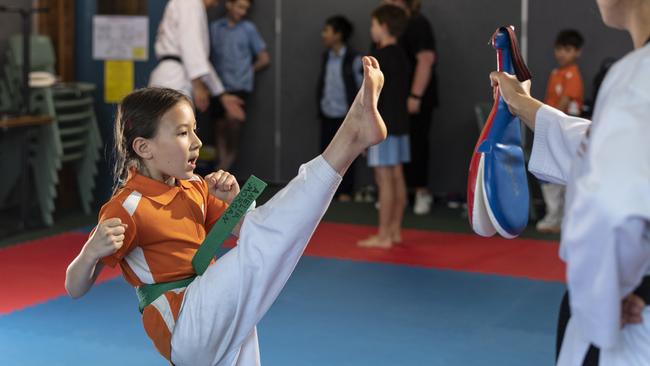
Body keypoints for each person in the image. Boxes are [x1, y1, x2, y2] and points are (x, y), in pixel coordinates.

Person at [65, 56, 387, 365]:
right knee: (262, 249)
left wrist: (237, 204)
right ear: (144, 148)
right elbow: (75, 287)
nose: (195, 141)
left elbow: (251, 230)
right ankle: (348, 140)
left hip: (213, 315)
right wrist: (90, 252)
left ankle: (352, 140)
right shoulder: (128, 205)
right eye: (181, 133)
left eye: (194, 129)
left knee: (258, 265)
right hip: (185, 322)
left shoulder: (193, 187)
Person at [489, 0, 650, 364]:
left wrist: (601, 302)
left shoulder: (637, 79)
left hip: (628, 327)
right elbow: (597, 146)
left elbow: (606, 212)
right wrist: (523, 104)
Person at [358, 5, 409, 249]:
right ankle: (395, 230)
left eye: (374, 25)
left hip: (383, 125)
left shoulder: (383, 58)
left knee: (384, 178)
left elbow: (373, 97)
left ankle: (384, 236)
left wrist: (365, 129)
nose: (372, 30)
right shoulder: (400, 54)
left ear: (384, 26)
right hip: (400, 124)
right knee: (396, 175)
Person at [384, 0, 438, 215]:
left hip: (416, 98)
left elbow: (426, 60)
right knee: (397, 150)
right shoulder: (391, 25)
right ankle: (399, 196)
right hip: (394, 101)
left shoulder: (417, 23)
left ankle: (421, 192)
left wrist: (415, 95)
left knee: (417, 145)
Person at [149, 0, 245, 121]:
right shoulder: (190, 3)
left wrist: (221, 95)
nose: (215, 4)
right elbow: (190, 45)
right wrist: (198, 84)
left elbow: (199, 58)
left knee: (172, 129)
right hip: (175, 77)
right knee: (173, 130)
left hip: (175, 73)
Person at [209, 0, 270, 171]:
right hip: (218, 87)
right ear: (229, 4)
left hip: (239, 87)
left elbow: (264, 59)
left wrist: (247, 70)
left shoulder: (248, 29)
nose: (243, 12)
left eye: (246, 9)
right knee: (219, 128)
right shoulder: (214, 28)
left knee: (233, 122)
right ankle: (221, 170)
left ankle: (222, 169)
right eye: (240, 7)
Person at [537, 29, 585, 233]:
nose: (561, 54)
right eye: (559, 49)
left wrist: (552, 122)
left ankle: (562, 217)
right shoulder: (554, 74)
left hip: (565, 133)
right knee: (548, 174)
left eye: (567, 49)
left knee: (565, 176)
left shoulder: (572, 75)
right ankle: (554, 215)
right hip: (551, 131)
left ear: (577, 52)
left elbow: (565, 103)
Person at [317, 15, 363, 202]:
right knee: (326, 154)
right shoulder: (326, 56)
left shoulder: (354, 58)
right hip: (327, 112)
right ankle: (326, 193)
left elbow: (360, 85)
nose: (323, 35)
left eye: (327, 30)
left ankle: (345, 191)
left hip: (346, 115)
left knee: (347, 155)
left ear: (338, 34)